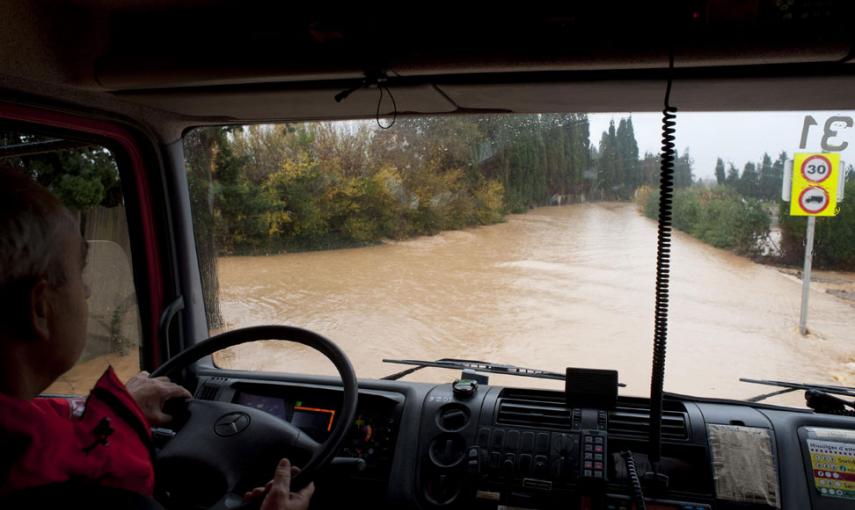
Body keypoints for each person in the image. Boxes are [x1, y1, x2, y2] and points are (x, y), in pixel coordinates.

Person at [0, 166, 314, 509]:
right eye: (80, 273)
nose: (87, 291)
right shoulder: (92, 496)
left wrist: (122, 410)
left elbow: (52, 432)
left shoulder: (20, 446)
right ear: (40, 307)